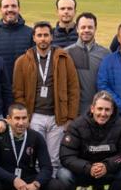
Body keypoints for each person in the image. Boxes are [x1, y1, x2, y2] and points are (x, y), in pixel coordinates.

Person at [13, 21, 79, 170]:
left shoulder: (64, 58)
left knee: (54, 159)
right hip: (35, 116)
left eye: (46, 35)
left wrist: (70, 118)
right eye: (39, 35)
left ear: (51, 37)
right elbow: (18, 92)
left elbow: (73, 89)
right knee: (35, 158)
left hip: (58, 118)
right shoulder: (22, 61)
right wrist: (25, 118)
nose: (43, 39)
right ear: (34, 38)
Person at [59, 92, 121, 190]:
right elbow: (66, 156)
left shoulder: (120, 125)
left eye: (107, 109)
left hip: (107, 172)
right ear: (92, 108)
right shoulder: (77, 125)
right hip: (83, 172)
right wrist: (88, 167)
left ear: (112, 111)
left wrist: (107, 165)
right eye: (100, 109)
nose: (103, 113)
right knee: (63, 174)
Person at [68, 12, 109, 119]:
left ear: (95, 29)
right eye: (83, 27)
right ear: (77, 29)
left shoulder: (106, 54)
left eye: (90, 27)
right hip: (74, 113)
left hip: (99, 113)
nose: (86, 30)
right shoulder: (66, 53)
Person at [0, 0, 33, 70]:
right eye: (6, 6)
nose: (10, 9)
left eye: (13, 6)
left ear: (19, 8)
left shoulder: (31, 34)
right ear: (0, 10)